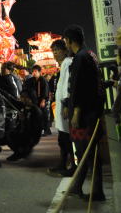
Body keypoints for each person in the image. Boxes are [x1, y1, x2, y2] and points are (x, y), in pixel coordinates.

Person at [64, 24, 105, 201]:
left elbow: (80, 88)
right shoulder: (90, 55)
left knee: (85, 152)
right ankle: (83, 187)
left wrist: (76, 112)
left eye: (66, 41)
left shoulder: (80, 58)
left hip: (85, 114)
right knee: (88, 153)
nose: (65, 45)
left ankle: (94, 191)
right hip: (93, 111)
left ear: (70, 41)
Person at [48, 39, 75, 177]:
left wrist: (65, 104)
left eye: (57, 50)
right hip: (61, 107)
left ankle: (72, 165)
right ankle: (63, 163)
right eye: (53, 50)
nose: (55, 53)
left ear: (65, 50)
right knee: (63, 138)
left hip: (65, 107)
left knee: (67, 138)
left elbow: (68, 86)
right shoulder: (63, 65)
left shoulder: (68, 63)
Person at [23, 65, 51, 136]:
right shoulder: (30, 80)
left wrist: (43, 101)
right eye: (33, 71)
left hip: (42, 100)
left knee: (44, 115)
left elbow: (45, 91)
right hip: (34, 101)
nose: (34, 73)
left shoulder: (43, 80)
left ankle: (46, 130)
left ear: (39, 72)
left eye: (35, 71)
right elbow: (26, 89)